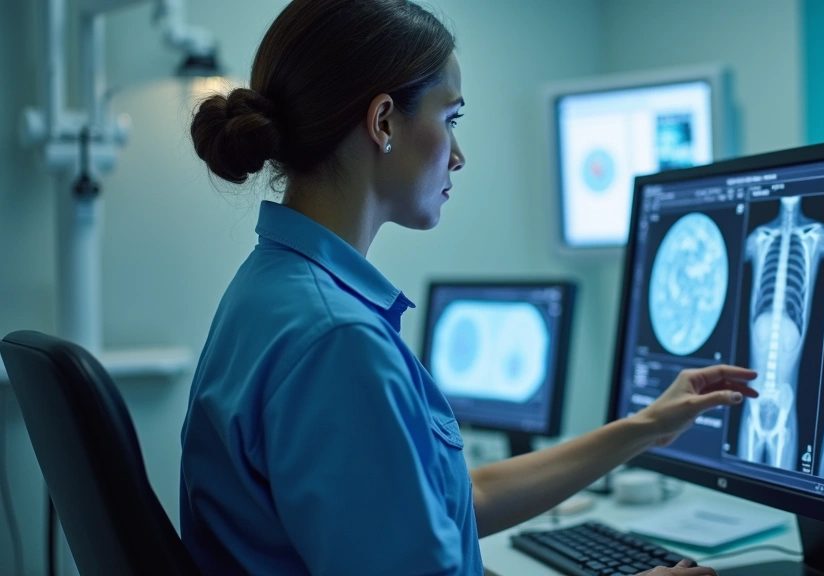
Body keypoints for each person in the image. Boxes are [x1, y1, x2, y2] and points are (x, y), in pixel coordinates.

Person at [181, 1, 758, 575]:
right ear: (383, 122)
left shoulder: (272, 290)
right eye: (450, 118)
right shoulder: (338, 341)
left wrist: (647, 427)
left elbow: (452, 501)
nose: (459, 155)